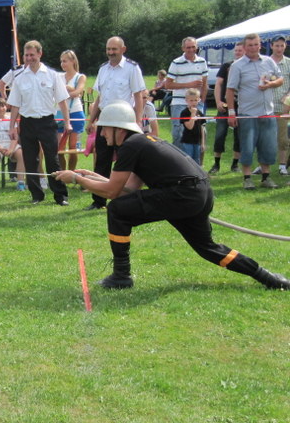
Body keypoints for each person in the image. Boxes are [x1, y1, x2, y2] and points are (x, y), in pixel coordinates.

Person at [54, 102, 290, 291]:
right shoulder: (140, 142)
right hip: (199, 193)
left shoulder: (130, 146)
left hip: (182, 194)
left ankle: (121, 276)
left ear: (119, 129)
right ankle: (269, 278)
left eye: (104, 128)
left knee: (117, 210)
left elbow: (113, 193)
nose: (102, 134)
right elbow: (130, 188)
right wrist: (92, 176)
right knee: (208, 248)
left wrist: (76, 179)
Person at [7, 40, 72, 205]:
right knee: (30, 160)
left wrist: (67, 122)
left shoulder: (52, 75)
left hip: (47, 122)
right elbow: (15, 104)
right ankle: (36, 195)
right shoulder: (20, 78)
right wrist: (12, 126)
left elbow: (62, 101)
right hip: (27, 123)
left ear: (39, 54)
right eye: (26, 55)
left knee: (52, 159)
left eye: (32, 55)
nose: (29, 58)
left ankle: (60, 196)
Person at [85, 36, 145, 211]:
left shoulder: (132, 68)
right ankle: (98, 201)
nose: (111, 52)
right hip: (105, 120)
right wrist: (92, 120)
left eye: (114, 49)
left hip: (124, 121)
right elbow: (99, 98)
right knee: (101, 161)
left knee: (125, 162)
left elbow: (138, 96)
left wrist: (138, 121)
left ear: (123, 49)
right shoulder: (103, 69)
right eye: (108, 49)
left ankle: (125, 198)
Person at [226, 33, 284, 190]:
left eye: (255, 44)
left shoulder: (268, 61)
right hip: (248, 114)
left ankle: (266, 178)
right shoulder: (237, 66)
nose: (253, 48)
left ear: (260, 45)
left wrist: (270, 84)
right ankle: (247, 178)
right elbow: (230, 90)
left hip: (267, 113)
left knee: (268, 147)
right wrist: (231, 112)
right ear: (244, 47)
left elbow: (280, 79)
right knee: (247, 147)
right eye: (249, 45)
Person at [165, 37, 208, 150]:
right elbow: (168, 85)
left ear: (196, 47)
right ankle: (179, 162)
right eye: (188, 47)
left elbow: (205, 84)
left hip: (196, 104)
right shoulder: (176, 62)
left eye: (193, 47)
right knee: (179, 134)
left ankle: (197, 164)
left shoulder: (202, 62)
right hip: (179, 103)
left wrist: (202, 101)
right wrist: (189, 84)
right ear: (183, 48)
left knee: (200, 133)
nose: (191, 49)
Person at [209, 42, 244, 175]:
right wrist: (218, 101)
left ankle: (235, 164)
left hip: (241, 107)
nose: (237, 53)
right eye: (236, 51)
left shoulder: (247, 67)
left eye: (240, 50)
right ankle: (216, 164)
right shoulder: (226, 66)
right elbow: (218, 84)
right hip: (224, 106)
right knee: (219, 135)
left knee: (239, 136)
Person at [0, 97, 25, 192]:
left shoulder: (11, 119)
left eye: (3, 106)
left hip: (10, 144)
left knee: (21, 154)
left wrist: (11, 149)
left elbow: (15, 137)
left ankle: (21, 182)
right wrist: (0, 148)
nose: (1, 108)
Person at [56, 50, 86, 171]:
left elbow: (78, 92)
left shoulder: (80, 76)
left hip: (76, 112)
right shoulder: (58, 77)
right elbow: (55, 92)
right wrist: (68, 90)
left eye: (65, 61)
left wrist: (69, 91)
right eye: (61, 61)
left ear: (73, 61)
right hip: (60, 113)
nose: (62, 64)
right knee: (60, 147)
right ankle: (63, 174)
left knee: (73, 147)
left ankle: (72, 173)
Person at [268, 35, 290, 176]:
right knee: (266, 138)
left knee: (282, 138)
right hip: (266, 106)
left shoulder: (289, 63)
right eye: (277, 45)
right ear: (271, 46)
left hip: (283, 107)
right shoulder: (265, 62)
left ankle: (282, 165)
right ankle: (264, 165)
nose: (279, 48)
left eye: (282, 45)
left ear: (285, 46)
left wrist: (288, 96)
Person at [180, 88, 205, 165]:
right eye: (191, 100)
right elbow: (189, 127)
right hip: (187, 141)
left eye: (195, 100)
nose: (193, 102)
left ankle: (197, 175)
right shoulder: (184, 113)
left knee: (197, 160)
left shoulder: (200, 113)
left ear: (199, 100)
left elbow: (202, 128)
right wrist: (193, 115)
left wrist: (203, 143)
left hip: (197, 141)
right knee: (188, 160)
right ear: (186, 100)